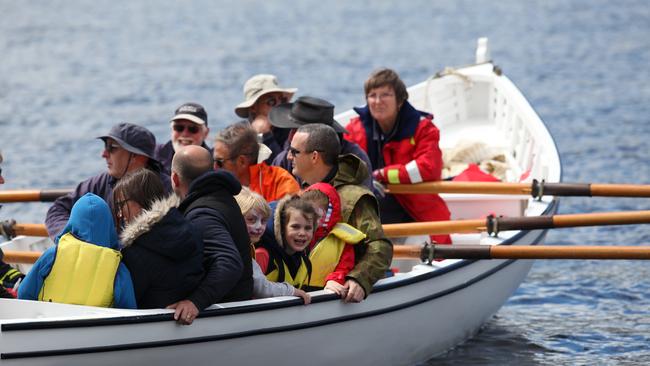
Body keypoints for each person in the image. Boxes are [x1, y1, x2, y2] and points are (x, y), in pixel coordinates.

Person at [283, 121, 392, 302]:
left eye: (294, 151)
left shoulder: (354, 198)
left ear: (314, 157)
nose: (288, 156)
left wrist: (358, 279)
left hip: (343, 295)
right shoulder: (302, 193)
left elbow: (380, 247)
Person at [344, 68, 452, 244]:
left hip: (416, 216)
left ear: (400, 101)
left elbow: (427, 168)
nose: (378, 101)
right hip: (368, 218)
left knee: (430, 251)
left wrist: (382, 175)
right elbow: (342, 167)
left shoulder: (423, 129)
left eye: (385, 95)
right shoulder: (355, 130)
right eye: (372, 95)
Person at [169, 145, 253, 325]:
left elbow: (229, 263)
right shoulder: (221, 197)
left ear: (175, 178)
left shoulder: (202, 214)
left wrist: (195, 302)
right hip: (237, 312)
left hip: (227, 319)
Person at [45, 122, 171, 239]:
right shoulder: (101, 182)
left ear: (137, 156)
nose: (104, 154)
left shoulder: (167, 189)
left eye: (112, 147)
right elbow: (58, 209)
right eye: (106, 146)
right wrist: (71, 238)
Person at [18, 193, 136, 308]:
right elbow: (128, 310)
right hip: (93, 327)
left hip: (49, 323)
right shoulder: (118, 269)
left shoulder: (53, 255)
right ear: (109, 225)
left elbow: (24, 293)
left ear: (72, 222)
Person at [115, 169, 203, 309]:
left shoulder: (135, 253)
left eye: (121, 205)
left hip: (153, 325)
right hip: (190, 316)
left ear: (141, 200)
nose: (119, 214)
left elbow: (127, 301)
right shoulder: (191, 229)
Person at [268, 96, 374, 192]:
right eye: (291, 129)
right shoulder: (283, 161)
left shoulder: (356, 162)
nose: (290, 136)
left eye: (300, 130)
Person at [234, 186, 310, 304]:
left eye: (264, 221)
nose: (259, 227)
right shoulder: (239, 248)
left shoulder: (244, 246)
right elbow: (260, 287)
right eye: (251, 220)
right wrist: (291, 291)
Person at [301, 183, 366, 296]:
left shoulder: (341, 241)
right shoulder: (295, 235)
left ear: (327, 214)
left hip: (323, 292)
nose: (309, 217)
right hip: (293, 292)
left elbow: (345, 266)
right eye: (305, 212)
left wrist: (334, 280)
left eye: (315, 213)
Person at [214, 121, 299, 202]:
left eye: (219, 162)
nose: (214, 167)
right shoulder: (214, 186)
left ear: (242, 161)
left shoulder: (280, 183)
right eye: (213, 161)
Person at [256, 194, 316, 290]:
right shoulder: (263, 255)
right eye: (295, 227)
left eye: (308, 228)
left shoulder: (304, 259)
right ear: (282, 228)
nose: (302, 233)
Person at [234, 74, 297, 162]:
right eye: (271, 102)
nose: (279, 106)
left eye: (282, 100)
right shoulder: (238, 134)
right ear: (253, 108)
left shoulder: (291, 132)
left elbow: (284, 167)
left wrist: (266, 137)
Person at [154, 102, 212, 176]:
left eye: (193, 129)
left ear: (206, 133)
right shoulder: (154, 156)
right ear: (172, 130)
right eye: (179, 128)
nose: (185, 134)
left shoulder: (216, 162)